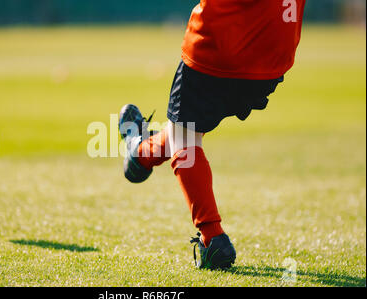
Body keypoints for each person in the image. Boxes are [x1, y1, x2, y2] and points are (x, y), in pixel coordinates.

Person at [119, 0, 306, 270]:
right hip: (275, 52)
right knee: (185, 127)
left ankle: (212, 237)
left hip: (221, 43)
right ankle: (140, 154)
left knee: (185, 137)